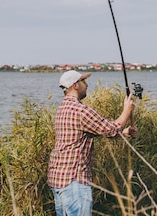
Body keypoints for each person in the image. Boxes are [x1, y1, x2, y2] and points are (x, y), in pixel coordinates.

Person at [47, 70, 137, 216]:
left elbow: (91, 131)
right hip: (73, 180)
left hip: (59, 179)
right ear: (75, 85)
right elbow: (111, 130)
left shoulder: (63, 108)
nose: (87, 85)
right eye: (83, 82)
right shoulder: (80, 110)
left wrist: (124, 132)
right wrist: (127, 110)